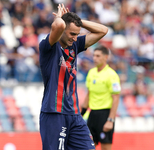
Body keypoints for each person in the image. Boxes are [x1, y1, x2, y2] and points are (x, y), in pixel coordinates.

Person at [39, 3, 108, 150]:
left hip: (75, 114)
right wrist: (60, 17)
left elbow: (103, 30)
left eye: (77, 34)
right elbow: (57, 26)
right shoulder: (48, 47)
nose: (75, 38)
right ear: (63, 30)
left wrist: (78, 21)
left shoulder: (74, 46)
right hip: (54, 113)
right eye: (72, 34)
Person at [81, 45, 121, 150]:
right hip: (92, 114)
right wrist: (81, 114)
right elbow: (89, 94)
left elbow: (116, 98)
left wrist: (110, 120)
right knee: (88, 146)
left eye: (98, 56)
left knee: (105, 148)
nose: (95, 58)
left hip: (105, 115)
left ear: (106, 57)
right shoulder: (91, 73)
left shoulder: (111, 75)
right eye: (94, 56)